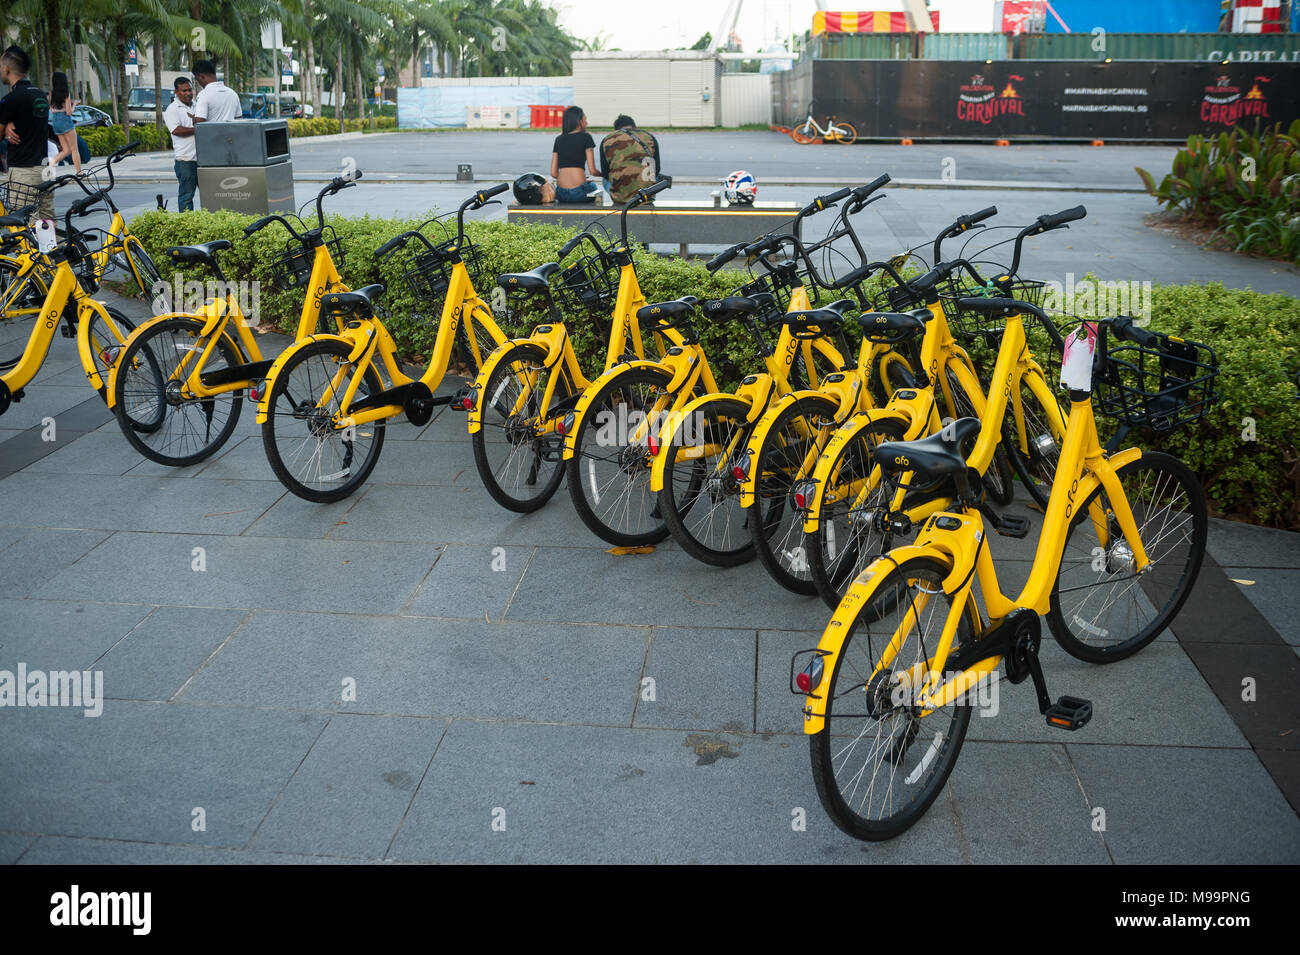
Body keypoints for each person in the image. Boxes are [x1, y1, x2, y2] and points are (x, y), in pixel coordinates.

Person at [0, 47, 52, 221]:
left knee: (26, 226)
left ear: (7, 68)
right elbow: (30, 122)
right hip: (45, 169)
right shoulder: (40, 95)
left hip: (24, 171)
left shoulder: (11, 99)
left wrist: (5, 126)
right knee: (47, 223)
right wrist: (8, 125)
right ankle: (53, 249)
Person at [599, 114, 661, 206]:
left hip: (620, 197)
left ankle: (619, 199)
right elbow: (657, 169)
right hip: (646, 195)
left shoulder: (607, 140)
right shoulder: (649, 137)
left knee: (605, 181)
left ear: (616, 130)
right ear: (635, 127)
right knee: (657, 176)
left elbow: (605, 173)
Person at [550, 105, 598, 204]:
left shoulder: (559, 139)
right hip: (579, 192)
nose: (587, 123)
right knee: (593, 187)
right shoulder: (586, 137)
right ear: (579, 121)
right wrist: (603, 174)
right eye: (585, 119)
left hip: (561, 193)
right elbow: (593, 171)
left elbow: (554, 173)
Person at [164, 76, 197, 211]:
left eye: (190, 90)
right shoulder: (172, 109)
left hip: (202, 159)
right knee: (186, 197)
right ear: (176, 92)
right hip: (186, 160)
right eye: (184, 91)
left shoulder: (197, 105)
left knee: (210, 196)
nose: (188, 93)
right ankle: (187, 228)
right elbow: (176, 130)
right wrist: (199, 129)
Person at [47, 72, 82, 177]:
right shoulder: (66, 93)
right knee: (75, 149)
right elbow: (69, 112)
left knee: (66, 150)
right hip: (65, 121)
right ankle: (79, 173)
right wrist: (74, 104)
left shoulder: (52, 93)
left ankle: (50, 164)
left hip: (56, 123)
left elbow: (52, 110)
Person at [191, 60, 240, 125]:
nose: (199, 83)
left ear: (202, 76)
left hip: (212, 135)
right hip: (231, 134)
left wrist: (193, 118)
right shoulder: (233, 93)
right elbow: (239, 119)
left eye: (197, 80)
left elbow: (199, 122)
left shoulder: (204, 94)